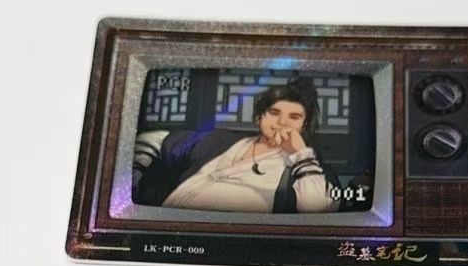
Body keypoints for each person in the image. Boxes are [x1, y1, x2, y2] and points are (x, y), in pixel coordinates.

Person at [132, 77, 336, 214]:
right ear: (259, 117)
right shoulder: (220, 140)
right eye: (274, 113)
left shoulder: (313, 167)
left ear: (304, 125)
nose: (282, 122)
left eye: (294, 117)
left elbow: (317, 210)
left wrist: (300, 153)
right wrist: (133, 174)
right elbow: (154, 139)